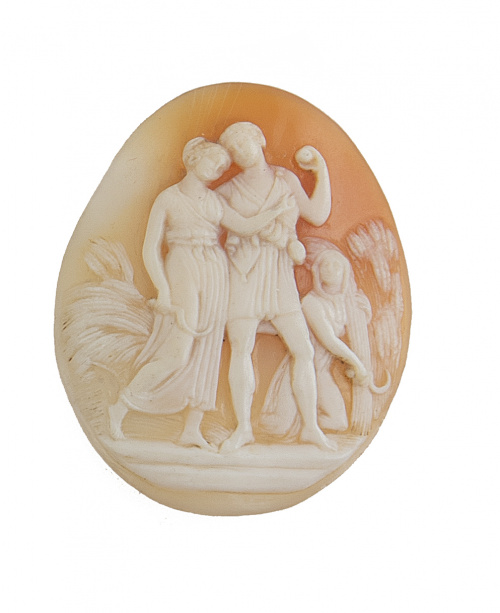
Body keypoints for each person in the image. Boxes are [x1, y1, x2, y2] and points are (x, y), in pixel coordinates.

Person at [108, 137, 289, 448]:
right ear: (193, 159)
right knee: (177, 351)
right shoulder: (169, 198)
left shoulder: (214, 202)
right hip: (183, 265)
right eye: (213, 161)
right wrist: (163, 289)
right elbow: (150, 248)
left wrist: (277, 210)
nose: (218, 168)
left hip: (214, 269)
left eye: (222, 166)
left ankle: (191, 429)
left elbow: (245, 226)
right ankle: (121, 405)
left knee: (208, 349)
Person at [216, 122, 334, 451]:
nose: (241, 151)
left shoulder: (285, 180)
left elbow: (317, 215)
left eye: (244, 142)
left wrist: (321, 169)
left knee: (303, 349)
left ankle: (310, 427)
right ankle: (243, 429)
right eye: (233, 148)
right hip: (244, 274)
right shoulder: (226, 192)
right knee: (240, 348)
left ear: (260, 139)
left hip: (280, 273)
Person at [259, 239, 373, 440]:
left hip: (322, 372)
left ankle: (304, 423)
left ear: (345, 272)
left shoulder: (342, 304)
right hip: (303, 371)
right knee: (279, 427)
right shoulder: (311, 302)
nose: (330, 269)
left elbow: (347, 330)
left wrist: (367, 314)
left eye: (336, 265)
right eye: (325, 265)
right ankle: (299, 422)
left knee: (339, 422)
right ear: (317, 272)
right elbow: (329, 341)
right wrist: (357, 364)